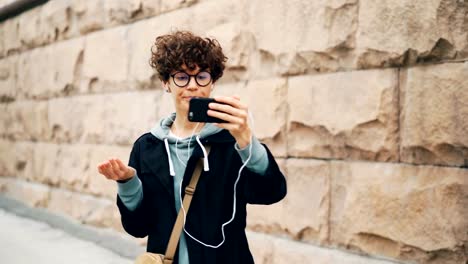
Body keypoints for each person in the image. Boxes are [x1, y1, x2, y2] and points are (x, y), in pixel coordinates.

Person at [97, 30, 287, 264]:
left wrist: (247, 140)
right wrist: (128, 183)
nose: (193, 85)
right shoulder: (147, 147)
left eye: (202, 76)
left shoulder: (231, 142)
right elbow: (138, 227)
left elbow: (271, 193)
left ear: (213, 82)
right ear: (166, 83)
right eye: (182, 77)